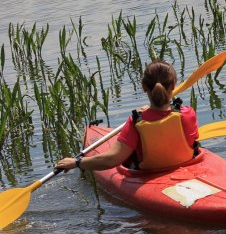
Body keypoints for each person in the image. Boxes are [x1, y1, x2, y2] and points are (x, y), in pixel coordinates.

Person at [56, 60, 199, 172]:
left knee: (130, 154)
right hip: (185, 165)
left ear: (144, 87)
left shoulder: (137, 122)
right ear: (173, 85)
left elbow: (112, 160)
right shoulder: (187, 113)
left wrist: (77, 162)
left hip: (148, 173)